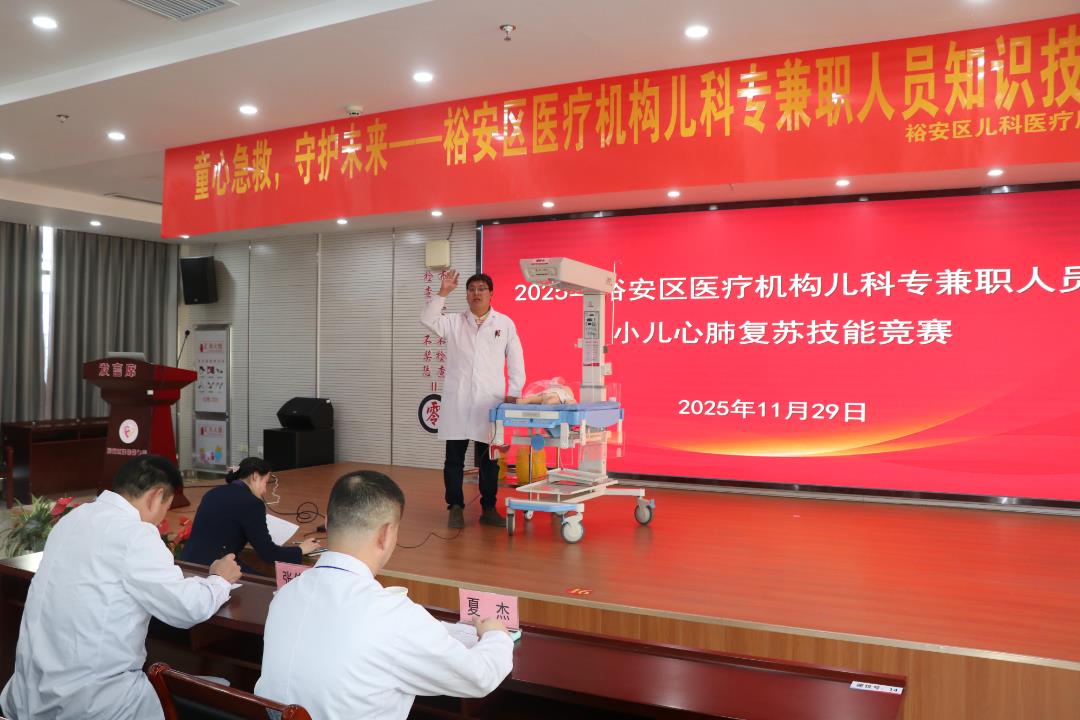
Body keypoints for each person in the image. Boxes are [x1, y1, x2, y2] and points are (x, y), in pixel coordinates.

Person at [0, 455, 242, 720]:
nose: (161, 517)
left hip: (29, 696)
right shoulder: (135, 534)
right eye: (166, 506)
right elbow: (187, 608)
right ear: (155, 496)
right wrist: (220, 579)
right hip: (90, 704)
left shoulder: (74, 518)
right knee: (218, 694)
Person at [255, 470, 513, 719]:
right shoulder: (392, 616)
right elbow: (480, 677)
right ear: (386, 534)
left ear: (328, 523)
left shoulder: (285, 595)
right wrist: (496, 634)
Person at [421, 270, 525, 528]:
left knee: (489, 460)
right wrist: (443, 291)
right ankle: (455, 506)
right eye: (471, 289)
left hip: (490, 402)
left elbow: (516, 360)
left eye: (481, 288)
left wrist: (514, 392)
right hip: (458, 401)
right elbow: (427, 318)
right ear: (466, 295)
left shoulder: (505, 323)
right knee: (453, 459)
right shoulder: (454, 322)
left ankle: (488, 508)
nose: (476, 293)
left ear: (491, 293)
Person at [180, 457, 319, 571]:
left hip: (187, 562)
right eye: (265, 482)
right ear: (255, 476)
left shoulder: (212, 493)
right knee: (268, 586)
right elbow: (269, 554)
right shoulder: (252, 503)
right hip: (215, 568)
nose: (265, 491)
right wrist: (300, 550)